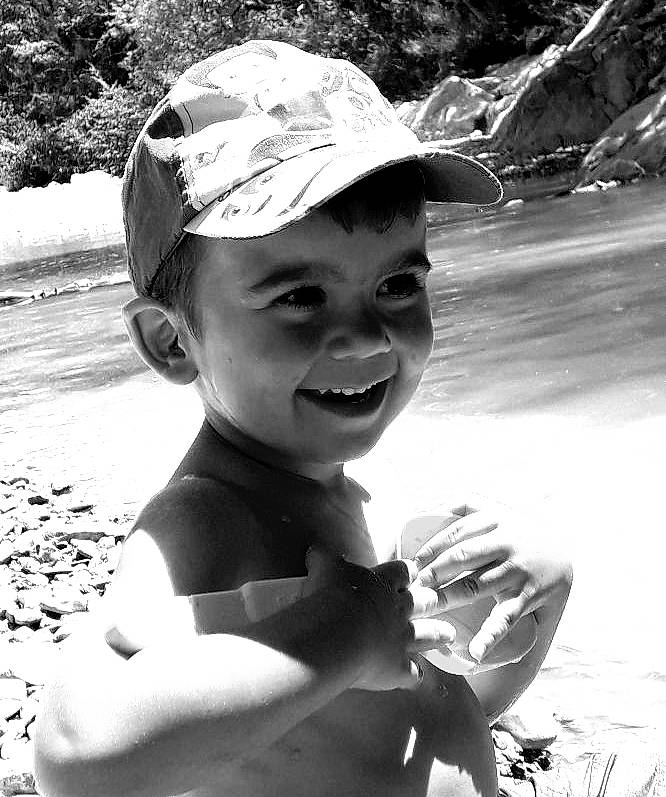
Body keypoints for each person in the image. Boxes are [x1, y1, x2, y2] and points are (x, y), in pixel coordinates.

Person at [33, 40, 573, 797]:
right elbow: (76, 755)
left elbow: (440, 713)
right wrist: (343, 636)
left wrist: (538, 597)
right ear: (170, 341)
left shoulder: (366, 493)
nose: (365, 335)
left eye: (396, 284)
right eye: (299, 298)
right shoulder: (204, 523)